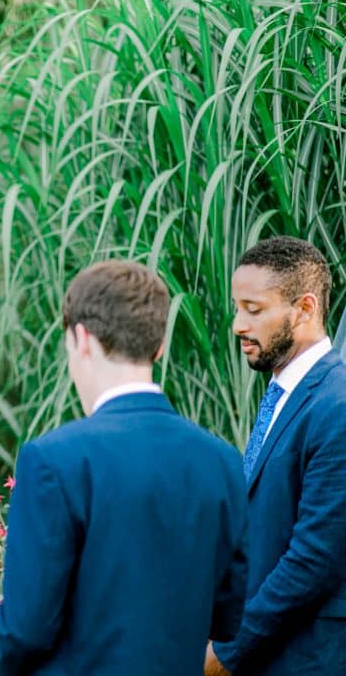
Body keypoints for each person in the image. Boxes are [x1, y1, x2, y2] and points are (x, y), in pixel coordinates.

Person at [0, 261, 248, 676]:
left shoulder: (53, 459)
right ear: (159, 346)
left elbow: (26, 628)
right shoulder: (221, 459)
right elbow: (229, 616)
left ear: (81, 338)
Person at [206, 236, 346, 675]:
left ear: (305, 308)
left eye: (254, 309)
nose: (237, 326)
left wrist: (227, 652)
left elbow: (315, 559)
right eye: (236, 308)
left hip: (309, 659)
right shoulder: (286, 393)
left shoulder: (337, 404)